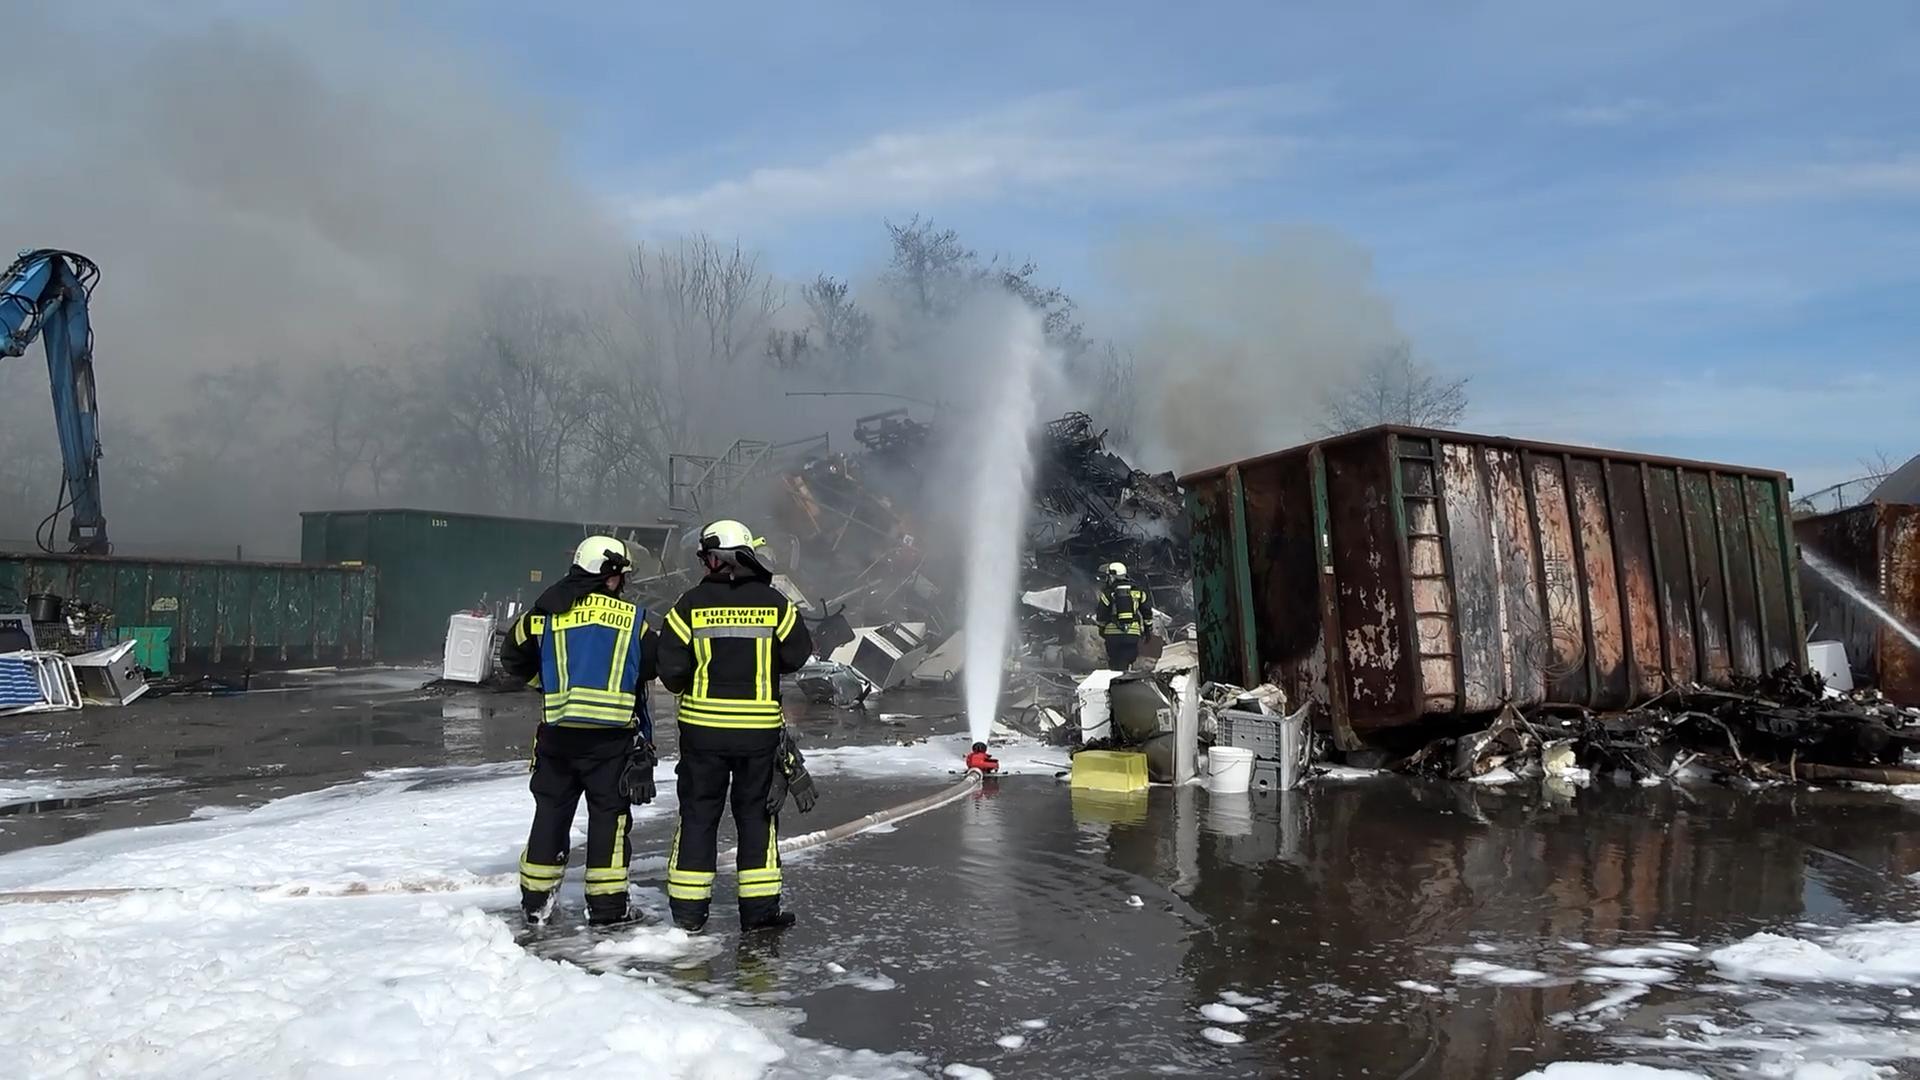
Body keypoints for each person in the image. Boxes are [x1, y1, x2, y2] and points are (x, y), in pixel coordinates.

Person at [656, 519, 816, 934]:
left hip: (702, 736)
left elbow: (671, 671)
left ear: (718, 558)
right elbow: (798, 654)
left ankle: (689, 915)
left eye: (706, 556)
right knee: (756, 819)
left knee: (698, 817)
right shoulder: (775, 604)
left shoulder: (687, 605)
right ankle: (760, 914)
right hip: (758, 738)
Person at [499, 535, 658, 927]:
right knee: (609, 821)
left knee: (550, 817)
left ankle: (536, 904)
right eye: (621, 575)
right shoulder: (634, 620)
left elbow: (511, 656)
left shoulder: (545, 613)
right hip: (611, 743)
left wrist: (548, 683)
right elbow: (655, 666)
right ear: (609, 577)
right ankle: (607, 910)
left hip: (557, 740)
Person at [1095, 561, 1154, 671]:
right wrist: (1147, 630)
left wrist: (1102, 629)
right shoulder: (1138, 591)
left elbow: (1101, 614)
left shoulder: (1108, 593)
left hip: (1112, 636)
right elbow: (1147, 613)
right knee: (1127, 662)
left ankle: (1115, 683)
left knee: (1114, 663)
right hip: (1132, 634)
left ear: (1112, 576)